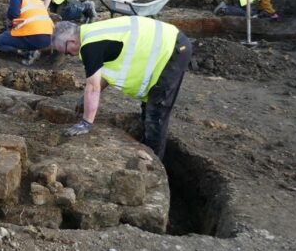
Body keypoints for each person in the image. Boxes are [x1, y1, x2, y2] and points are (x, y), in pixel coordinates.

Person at [51, 16, 192, 159]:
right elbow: (104, 75)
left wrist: (86, 123)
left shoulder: (90, 46)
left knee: (156, 112)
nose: (67, 55)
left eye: (66, 51)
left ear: (73, 41)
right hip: (168, 45)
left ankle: (154, 161)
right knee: (150, 107)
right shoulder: (90, 33)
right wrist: (84, 99)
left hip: (172, 50)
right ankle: (148, 147)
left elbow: (93, 87)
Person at [0, 0, 53, 65]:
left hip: (33, 37)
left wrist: (9, 23)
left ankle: (27, 53)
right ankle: (37, 51)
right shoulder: (38, 1)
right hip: (48, 39)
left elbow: (13, 14)